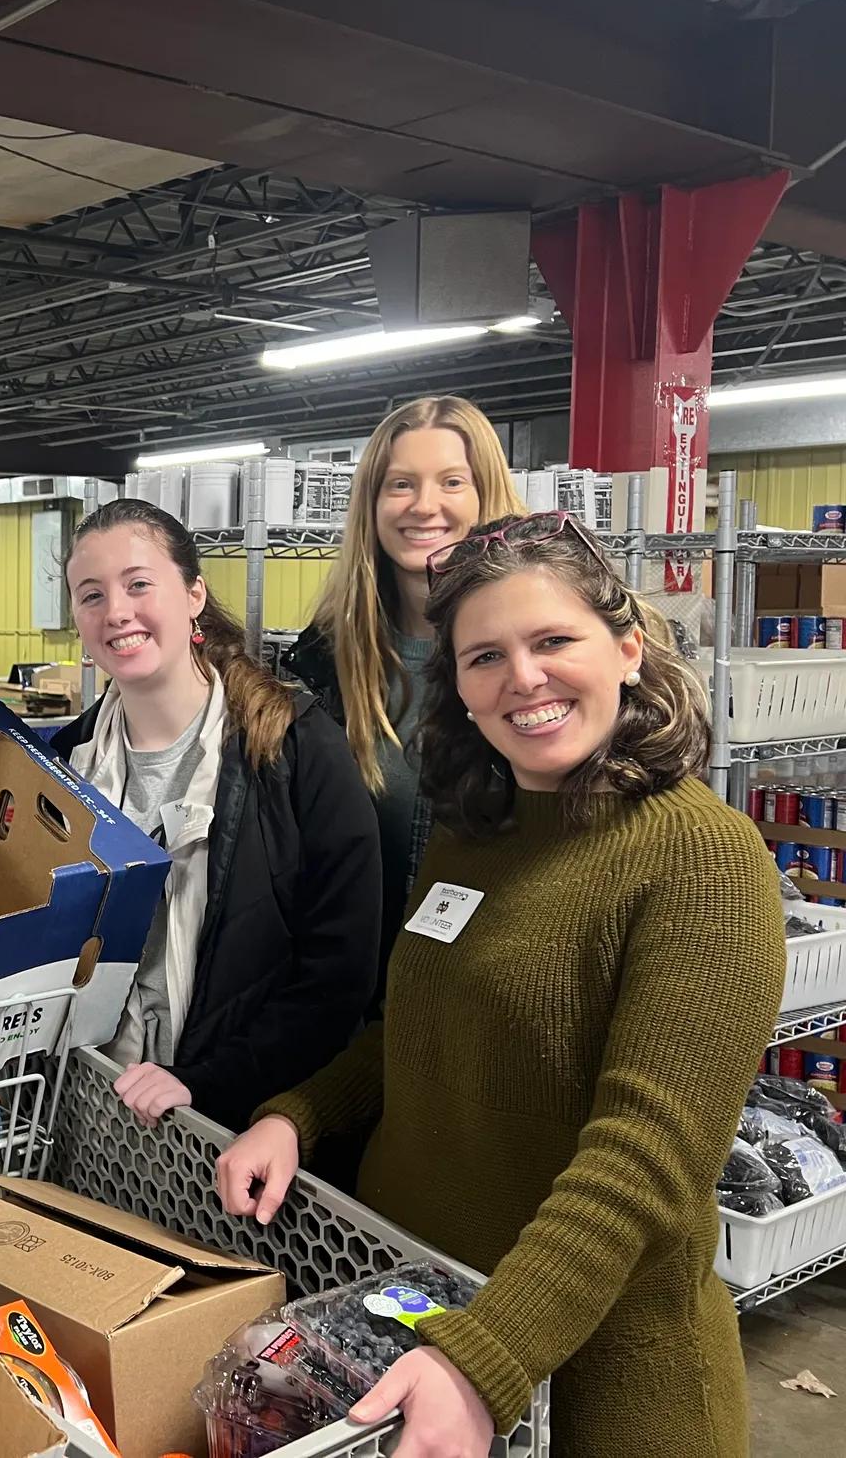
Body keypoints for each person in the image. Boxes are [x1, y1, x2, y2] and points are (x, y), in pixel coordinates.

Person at [215, 512, 783, 1458]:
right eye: (485, 657)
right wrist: (298, 1115)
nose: (522, 678)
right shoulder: (475, 835)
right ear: (461, 693)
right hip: (416, 1317)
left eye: (554, 640)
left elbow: (644, 1159)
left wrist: (485, 1355)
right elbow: (416, 1034)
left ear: (629, 650)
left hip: (596, 1380)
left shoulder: (703, 860)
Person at [49, 499, 382, 1131]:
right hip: (87, 1105)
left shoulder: (296, 751)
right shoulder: (66, 764)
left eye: (139, 584)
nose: (116, 611)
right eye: (90, 595)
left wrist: (203, 1083)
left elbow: (339, 977)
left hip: (235, 1129)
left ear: (194, 593)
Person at [284, 395, 523, 974]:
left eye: (451, 482)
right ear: (372, 504)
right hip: (355, 985)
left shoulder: (529, 663)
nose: (425, 506)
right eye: (401, 485)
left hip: (488, 982)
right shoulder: (320, 665)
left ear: (485, 494)